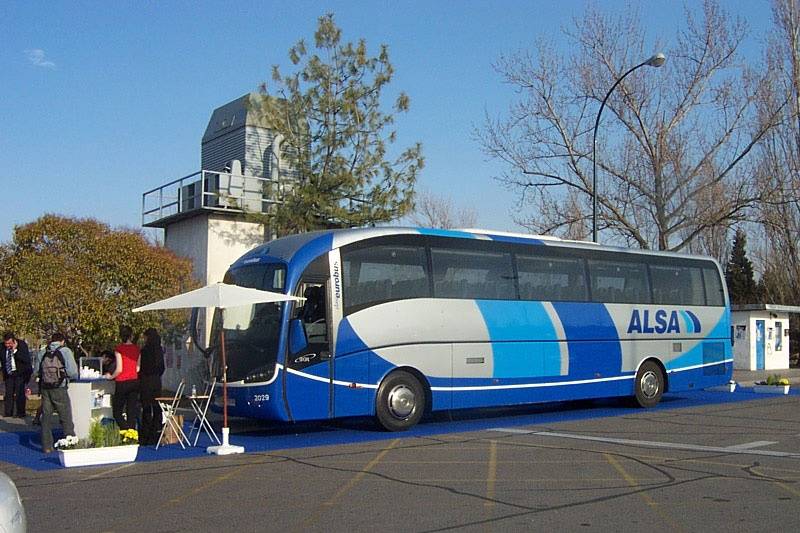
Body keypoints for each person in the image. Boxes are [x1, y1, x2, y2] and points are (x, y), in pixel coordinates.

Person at [39, 333, 78, 453]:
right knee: (65, 416)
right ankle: (70, 443)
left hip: (45, 388)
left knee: (46, 417)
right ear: (62, 341)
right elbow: (72, 372)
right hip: (60, 387)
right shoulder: (65, 351)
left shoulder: (43, 351)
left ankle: (46, 446)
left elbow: (36, 370)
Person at [105, 325, 140, 430]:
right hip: (134, 381)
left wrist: (111, 376)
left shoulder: (119, 349)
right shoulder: (137, 349)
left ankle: (125, 430)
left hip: (122, 382)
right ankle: (132, 434)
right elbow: (138, 368)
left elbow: (119, 369)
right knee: (131, 411)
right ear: (131, 335)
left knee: (117, 412)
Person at [138, 328, 165, 445]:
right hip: (156, 381)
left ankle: (146, 434)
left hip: (146, 381)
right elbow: (162, 367)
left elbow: (141, 367)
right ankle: (157, 431)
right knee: (156, 406)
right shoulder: (159, 350)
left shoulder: (144, 351)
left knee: (147, 408)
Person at [2, 332, 33, 419]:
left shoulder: (22, 345)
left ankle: (20, 413)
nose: (8, 345)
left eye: (9, 343)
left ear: (14, 341)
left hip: (20, 372)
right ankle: (8, 412)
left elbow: (25, 360)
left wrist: (15, 351)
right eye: (6, 343)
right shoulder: (2, 347)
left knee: (20, 393)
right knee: (8, 393)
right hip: (9, 372)